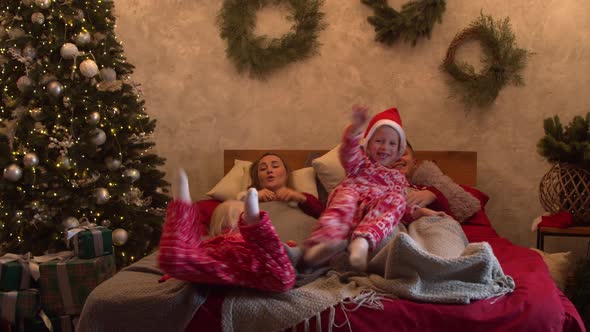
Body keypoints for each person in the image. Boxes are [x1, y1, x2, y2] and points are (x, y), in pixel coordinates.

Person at [303, 105, 445, 271]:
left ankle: (363, 241)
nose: (385, 147)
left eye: (392, 143)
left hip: (372, 214)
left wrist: (421, 212)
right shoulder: (361, 163)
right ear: (368, 144)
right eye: (379, 141)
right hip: (350, 205)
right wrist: (355, 129)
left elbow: (399, 210)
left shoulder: (399, 180)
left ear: (399, 151)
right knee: (346, 195)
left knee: (397, 199)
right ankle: (325, 243)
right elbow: (348, 153)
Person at [157, 169, 296, 292]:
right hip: (232, 269)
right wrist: (289, 247)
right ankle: (254, 222)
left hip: (227, 269)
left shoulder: (208, 244)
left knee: (177, 259)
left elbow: (184, 258)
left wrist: (172, 273)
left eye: (239, 219)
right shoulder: (211, 243)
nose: (232, 226)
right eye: (229, 222)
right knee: (284, 278)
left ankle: (182, 206)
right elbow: (277, 252)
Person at [247, 152, 324, 218]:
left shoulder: (303, 198)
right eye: (263, 168)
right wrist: (251, 200)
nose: (269, 170)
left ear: (286, 174)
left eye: (275, 166)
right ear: (257, 178)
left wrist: (301, 198)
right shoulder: (249, 200)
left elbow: (326, 217)